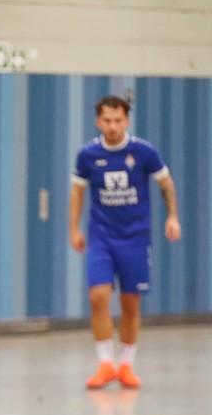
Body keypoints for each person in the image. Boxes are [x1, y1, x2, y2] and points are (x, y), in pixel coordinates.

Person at [69, 95, 181, 389]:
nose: (113, 126)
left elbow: (165, 183)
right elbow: (77, 191)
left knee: (130, 302)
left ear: (126, 121)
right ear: (98, 121)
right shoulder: (87, 155)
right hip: (101, 237)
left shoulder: (144, 152)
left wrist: (172, 217)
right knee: (98, 296)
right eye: (107, 120)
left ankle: (127, 365)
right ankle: (105, 364)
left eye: (118, 120)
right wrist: (74, 229)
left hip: (135, 238)